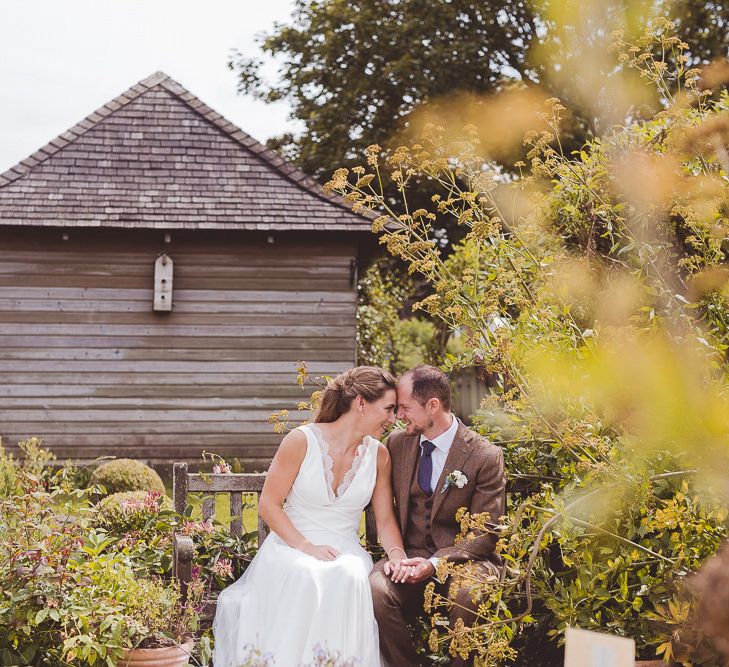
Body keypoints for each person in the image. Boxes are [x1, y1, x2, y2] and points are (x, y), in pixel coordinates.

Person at [213, 366, 410, 667]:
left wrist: (396, 555)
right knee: (307, 574)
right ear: (360, 403)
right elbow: (269, 505)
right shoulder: (301, 441)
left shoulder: (379, 455)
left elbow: (384, 520)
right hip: (291, 546)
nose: (393, 419)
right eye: (388, 409)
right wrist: (306, 547)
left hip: (344, 550)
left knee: (348, 574)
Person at [370, 365, 506, 667]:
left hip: (466, 563)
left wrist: (434, 564)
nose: (398, 416)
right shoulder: (397, 444)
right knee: (376, 588)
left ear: (433, 406)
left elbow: (485, 534)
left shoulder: (484, 455)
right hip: (409, 558)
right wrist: (399, 557)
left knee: (468, 593)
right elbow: (383, 510)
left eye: (404, 408)